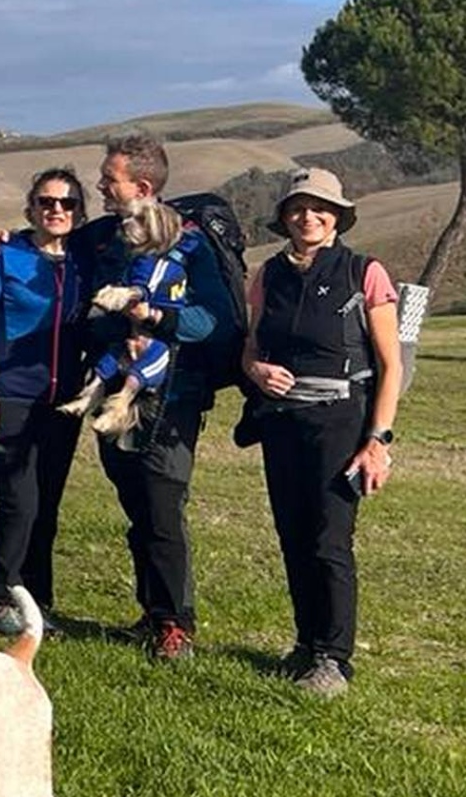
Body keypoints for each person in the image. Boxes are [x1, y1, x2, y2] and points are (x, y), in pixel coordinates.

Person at [240, 167, 400, 697]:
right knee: (292, 534)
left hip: (341, 420)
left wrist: (378, 439)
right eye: (297, 208)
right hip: (282, 421)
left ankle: (335, 659)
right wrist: (257, 370)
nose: (307, 216)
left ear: (337, 216)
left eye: (319, 207)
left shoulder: (363, 272)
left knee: (330, 539)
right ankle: (306, 645)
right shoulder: (268, 274)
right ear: (284, 217)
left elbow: (391, 365)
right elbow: (251, 346)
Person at [85, 132, 235, 662]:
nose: (101, 186)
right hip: (118, 391)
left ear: (141, 186)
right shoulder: (114, 240)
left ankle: (177, 624)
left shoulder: (190, 246)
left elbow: (216, 321)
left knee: (164, 506)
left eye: (110, 179)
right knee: (137, 507)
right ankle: (152, 612)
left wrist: (154, 318)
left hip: (171, 399)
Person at [0, 168, 91, 636]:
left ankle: (37, 600)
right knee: (18, 501)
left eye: (67, 202)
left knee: (47, 504)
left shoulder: (85, 262)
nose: (56, 209)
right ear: (30, 209)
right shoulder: (4, 256)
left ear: (80, 212)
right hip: (8, 396)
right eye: (45, 201)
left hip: (62, 403)